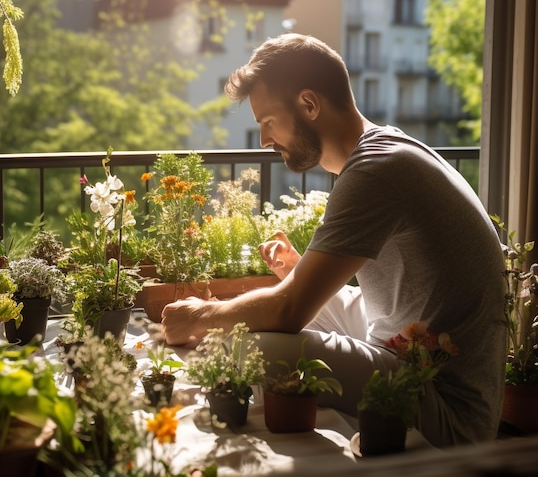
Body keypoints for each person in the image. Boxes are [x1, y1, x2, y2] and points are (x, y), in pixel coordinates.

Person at [161, 33, 507, 448]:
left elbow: (289, 310)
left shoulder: (376, 170)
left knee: (245, 347)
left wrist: (201, 314)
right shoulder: (385, 149)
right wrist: (298, 273)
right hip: (407, 340)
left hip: (443, 406)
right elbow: (307, 299)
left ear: (309, 104)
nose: (265, 141)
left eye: (268, 122)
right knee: (278, 304)